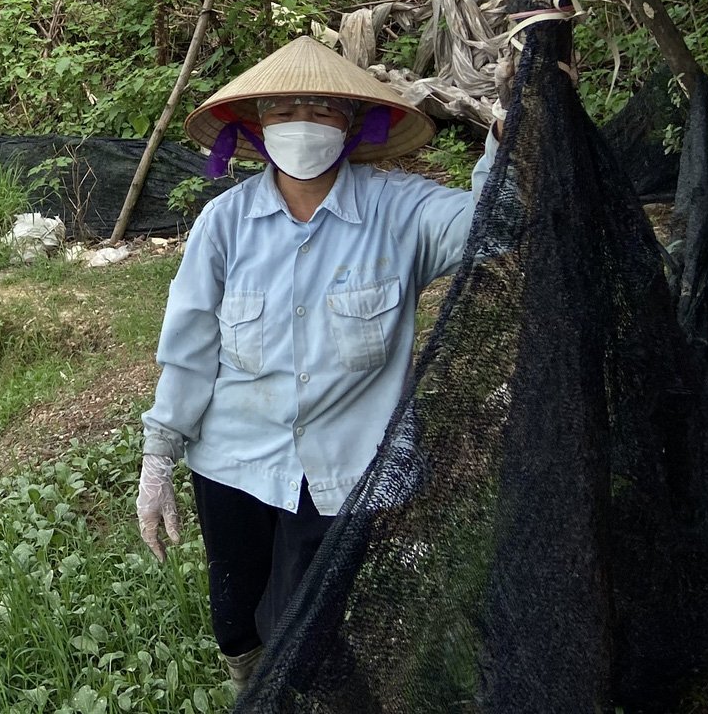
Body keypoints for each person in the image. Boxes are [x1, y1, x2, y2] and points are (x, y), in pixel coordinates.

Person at [134, 35, 499, 693]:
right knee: (236, 621)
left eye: (322, 108)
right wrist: (158, 457)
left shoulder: (400, 211)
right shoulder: (225, 224)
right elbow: (189, 350)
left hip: (349, 465)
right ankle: (255, 690)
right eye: (283, 108)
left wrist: (511, 134)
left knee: (307, 631)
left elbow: (498, 223)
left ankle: (315, 698)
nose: (303, 121)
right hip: (233, 460)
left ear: (353, 123)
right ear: (257, 124)